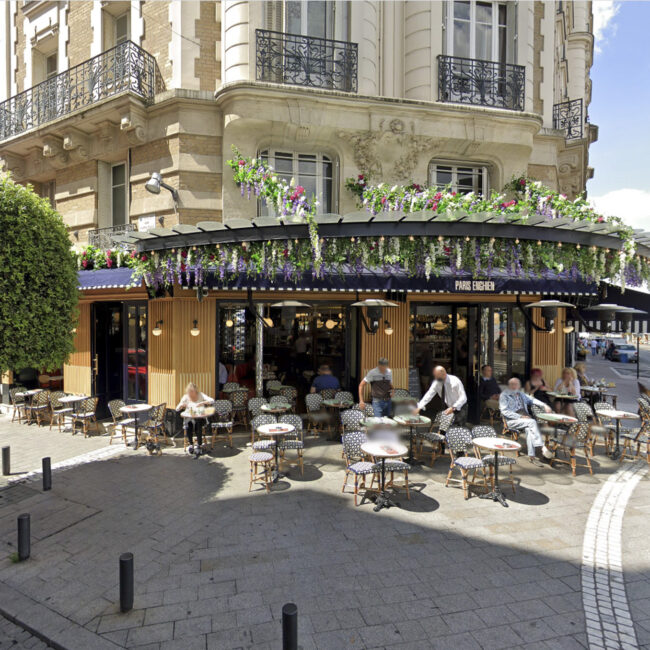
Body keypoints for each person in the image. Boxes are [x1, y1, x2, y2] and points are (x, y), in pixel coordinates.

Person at [500, 377, 552, 466]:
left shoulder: (521, 394)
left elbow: (532, 400)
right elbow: (504, 411)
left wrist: (545, 405)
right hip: (512, 421)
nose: (514, 386)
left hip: (525, 420)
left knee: (529, 429)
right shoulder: (504, 395)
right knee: (532, 422)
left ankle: (531, 457)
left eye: (516, 384)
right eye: (512, 384)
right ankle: (542, 447)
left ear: (519, 386)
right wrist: (520, 416)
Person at [176, 382, 213, 457]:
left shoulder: (201, 395)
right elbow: (177, 409)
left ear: (196, 391)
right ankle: (191, 444)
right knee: (189, 425)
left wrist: (203, 403)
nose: (191, 394)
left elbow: (212, 400)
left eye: (193, 392)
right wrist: (182, 406)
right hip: (189, 417)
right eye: (190, 392)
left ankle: (199, 445)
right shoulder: (186, 397)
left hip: (199, 417)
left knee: (198, 425)